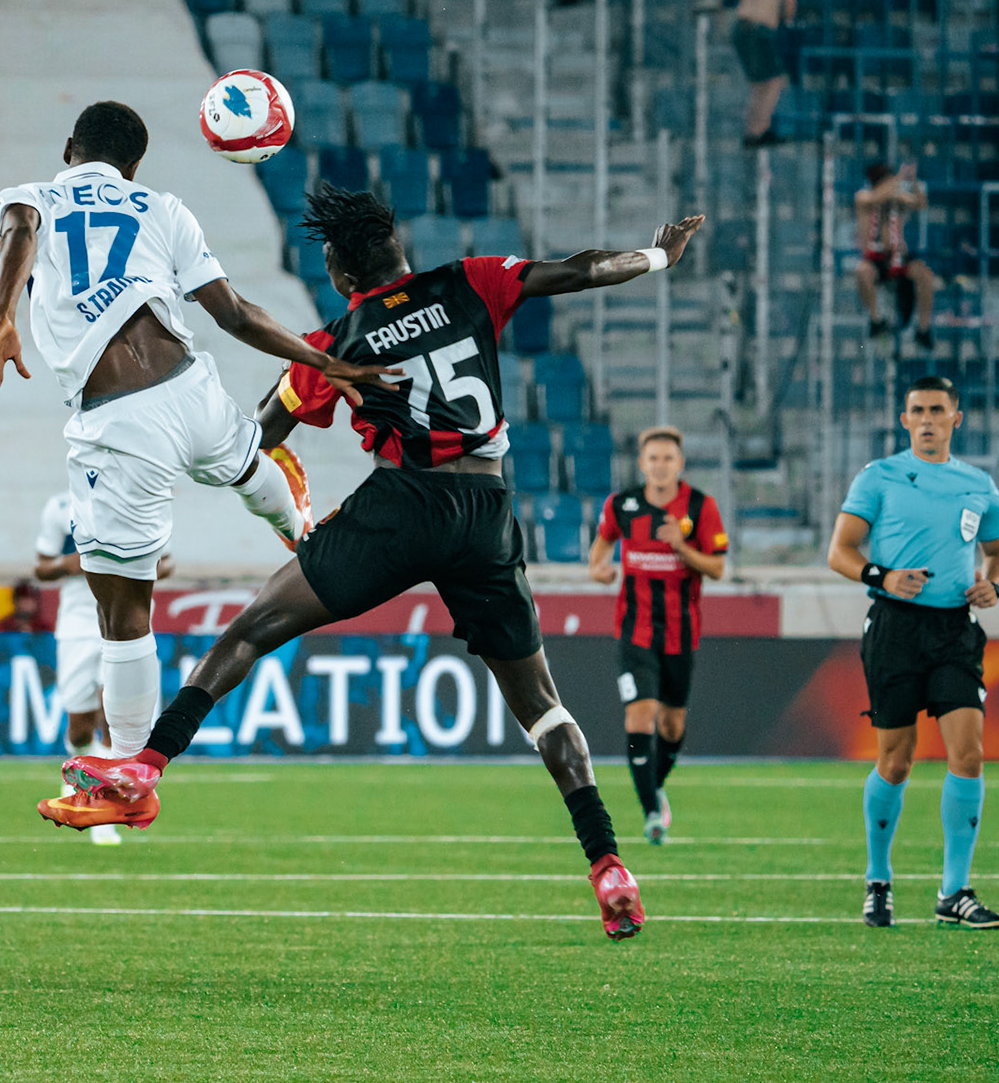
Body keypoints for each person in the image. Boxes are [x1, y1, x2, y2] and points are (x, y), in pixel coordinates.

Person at [50, 186, 708, 942]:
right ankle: (608, 865)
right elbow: (582, 269)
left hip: (399, 510)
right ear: (398, 248)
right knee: (542, 705)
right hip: (486, 514)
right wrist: (658, 253)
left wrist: (251, 464)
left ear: (338, 273)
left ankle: (146, 767)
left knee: (250, 632)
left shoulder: (334, 343)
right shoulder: (473, 278)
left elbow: (254, 440)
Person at [0, 101, 388, 827]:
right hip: (194, 389)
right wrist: (324, 360)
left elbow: (21, 230)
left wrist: (3, 313)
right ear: (134, 165)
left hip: (121, 424)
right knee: (240, 461)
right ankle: (287, 505)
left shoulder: (29, 195)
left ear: (70, 148)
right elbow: (235, 314)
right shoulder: (163, 207)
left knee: (122, 611)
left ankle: (128, 782)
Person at [827, 375, 999, 931]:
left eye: (937, 409)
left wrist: (995, 584)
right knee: (896, 759)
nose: (927, 419)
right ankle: (877, 879)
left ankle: (954, 892)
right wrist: (883, 575)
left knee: (969, 753)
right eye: (917, 410)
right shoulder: (878, 477)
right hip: (894, 628)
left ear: (957, 418)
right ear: (904, 419)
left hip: (955, 631)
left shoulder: (980, 486)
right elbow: (839, 552)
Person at [588, 425, 727, 845]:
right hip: (634, 630)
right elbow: (601, 544)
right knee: (639, 715)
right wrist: (599, 568)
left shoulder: (701, 507)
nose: (660, 466)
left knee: (671, 725)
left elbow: (718, 568)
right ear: (642, 463)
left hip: (681, 635)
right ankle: (651, 811)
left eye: (668, 459)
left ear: (679, 464)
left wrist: (681, 548)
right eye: (653, 459)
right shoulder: (623, 505)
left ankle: (655, 786)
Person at [30, 490, 174, 847]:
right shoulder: (61, 506)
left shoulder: (143, 495)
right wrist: (70, 564)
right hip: (77, 627)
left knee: (114, 716)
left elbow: (166, 563)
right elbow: (41, 568)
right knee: (79, 723)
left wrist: (124, 563)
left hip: (128, 624)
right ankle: (77, 781)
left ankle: (107, 804)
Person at [722, 0, 805, 148]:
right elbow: (790, 8)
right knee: (775, 81)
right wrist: (783, 13)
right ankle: (759, 131)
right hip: (761, 29)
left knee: (759, 85)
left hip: (740, 28)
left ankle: (752, 132)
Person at [854, 160, 935, 350]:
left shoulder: (897, 200)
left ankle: (923, 328)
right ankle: (875, 320)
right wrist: (897, 179)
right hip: (875, 259)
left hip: (898, 257)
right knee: (862, 272)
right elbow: (875, 198)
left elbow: (921, 203)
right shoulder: (864, 197)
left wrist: (913, 181)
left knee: (925, 275)